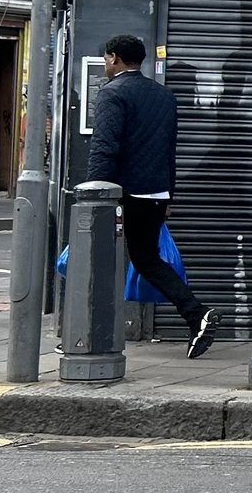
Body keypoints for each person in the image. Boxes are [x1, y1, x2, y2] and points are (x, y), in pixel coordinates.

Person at [85, 34, 220, 358]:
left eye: (106, 59)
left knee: (96, 262)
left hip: (122, 194)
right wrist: (168, 195)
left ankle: (89, 336)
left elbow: (105, 148)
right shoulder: (163, 96)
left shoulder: (112, 94)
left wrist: (95, 193)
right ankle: (196, 313)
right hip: (156, 193)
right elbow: (169, 151)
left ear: (114, 58)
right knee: (146, 260)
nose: (106, 64)